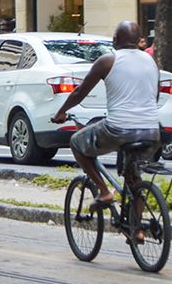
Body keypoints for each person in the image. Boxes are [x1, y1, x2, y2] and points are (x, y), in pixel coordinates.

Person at [50, 20, 160, 225]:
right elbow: (155, 95)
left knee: (76, 143)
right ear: (139, 40)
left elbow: (79, 92)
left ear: (115, 40)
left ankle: (103, 191)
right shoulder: (150, 61)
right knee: (133, 178)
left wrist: (61, 112)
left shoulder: (108, 61)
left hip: (119, 129)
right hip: (151, 131)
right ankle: (137, 230)